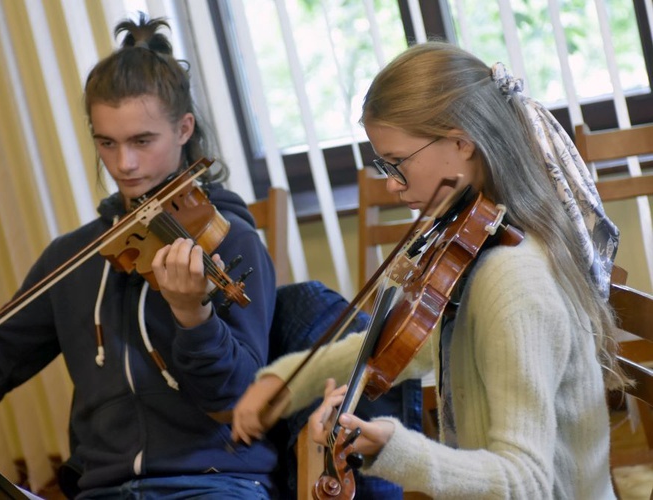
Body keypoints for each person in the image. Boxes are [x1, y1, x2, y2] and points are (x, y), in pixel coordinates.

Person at [0, 14, 277, 500]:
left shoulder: (231, 242)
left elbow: (239, 399)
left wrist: (194, 317)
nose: (124, 164)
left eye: (142, 141)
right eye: (107, 143)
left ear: (184, 129)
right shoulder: (75, 256)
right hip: (104, 490)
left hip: (214, 483)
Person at [232, 41, 622, 498]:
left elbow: (527, 482)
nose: (392, 185)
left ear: (461, 142)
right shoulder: (484, 248)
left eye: (397, 164)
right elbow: (404, 345)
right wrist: (288, 380)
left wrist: (394, 451)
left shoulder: (513, 279)